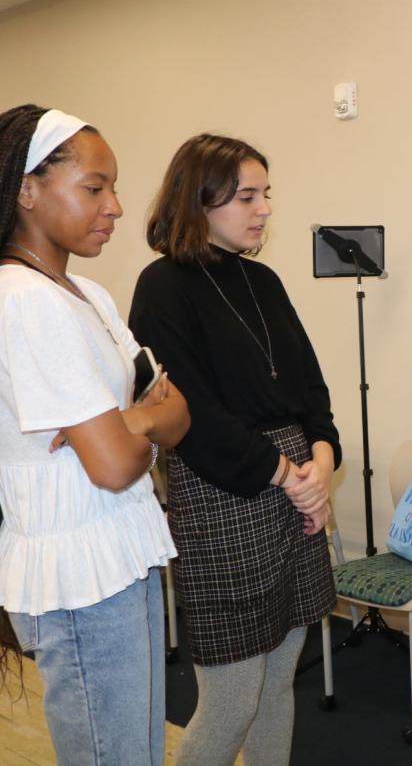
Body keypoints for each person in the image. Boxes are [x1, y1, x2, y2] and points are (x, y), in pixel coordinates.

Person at [129, 133, 340, 766]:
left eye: (265, 194)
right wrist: (286, 473)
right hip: (224, 493)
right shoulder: (162, 287)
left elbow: (311, 388)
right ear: (198, 200)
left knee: (279, 682)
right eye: (247, 196)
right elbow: (191, 416)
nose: (264, 209)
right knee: (231, 699)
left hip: (298, 486)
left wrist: (322, 464)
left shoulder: (264, 280)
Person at [0, 104, 190, 764]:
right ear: (26, 189)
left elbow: (176, 408)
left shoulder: (87, 295)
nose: (114, 206)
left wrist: (129, 421)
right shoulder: (21, 298)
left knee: (137, 749)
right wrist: (135, 425)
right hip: (77, 570)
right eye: (94, 187)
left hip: (121, 547)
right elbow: (113, 465)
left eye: (113, 186)